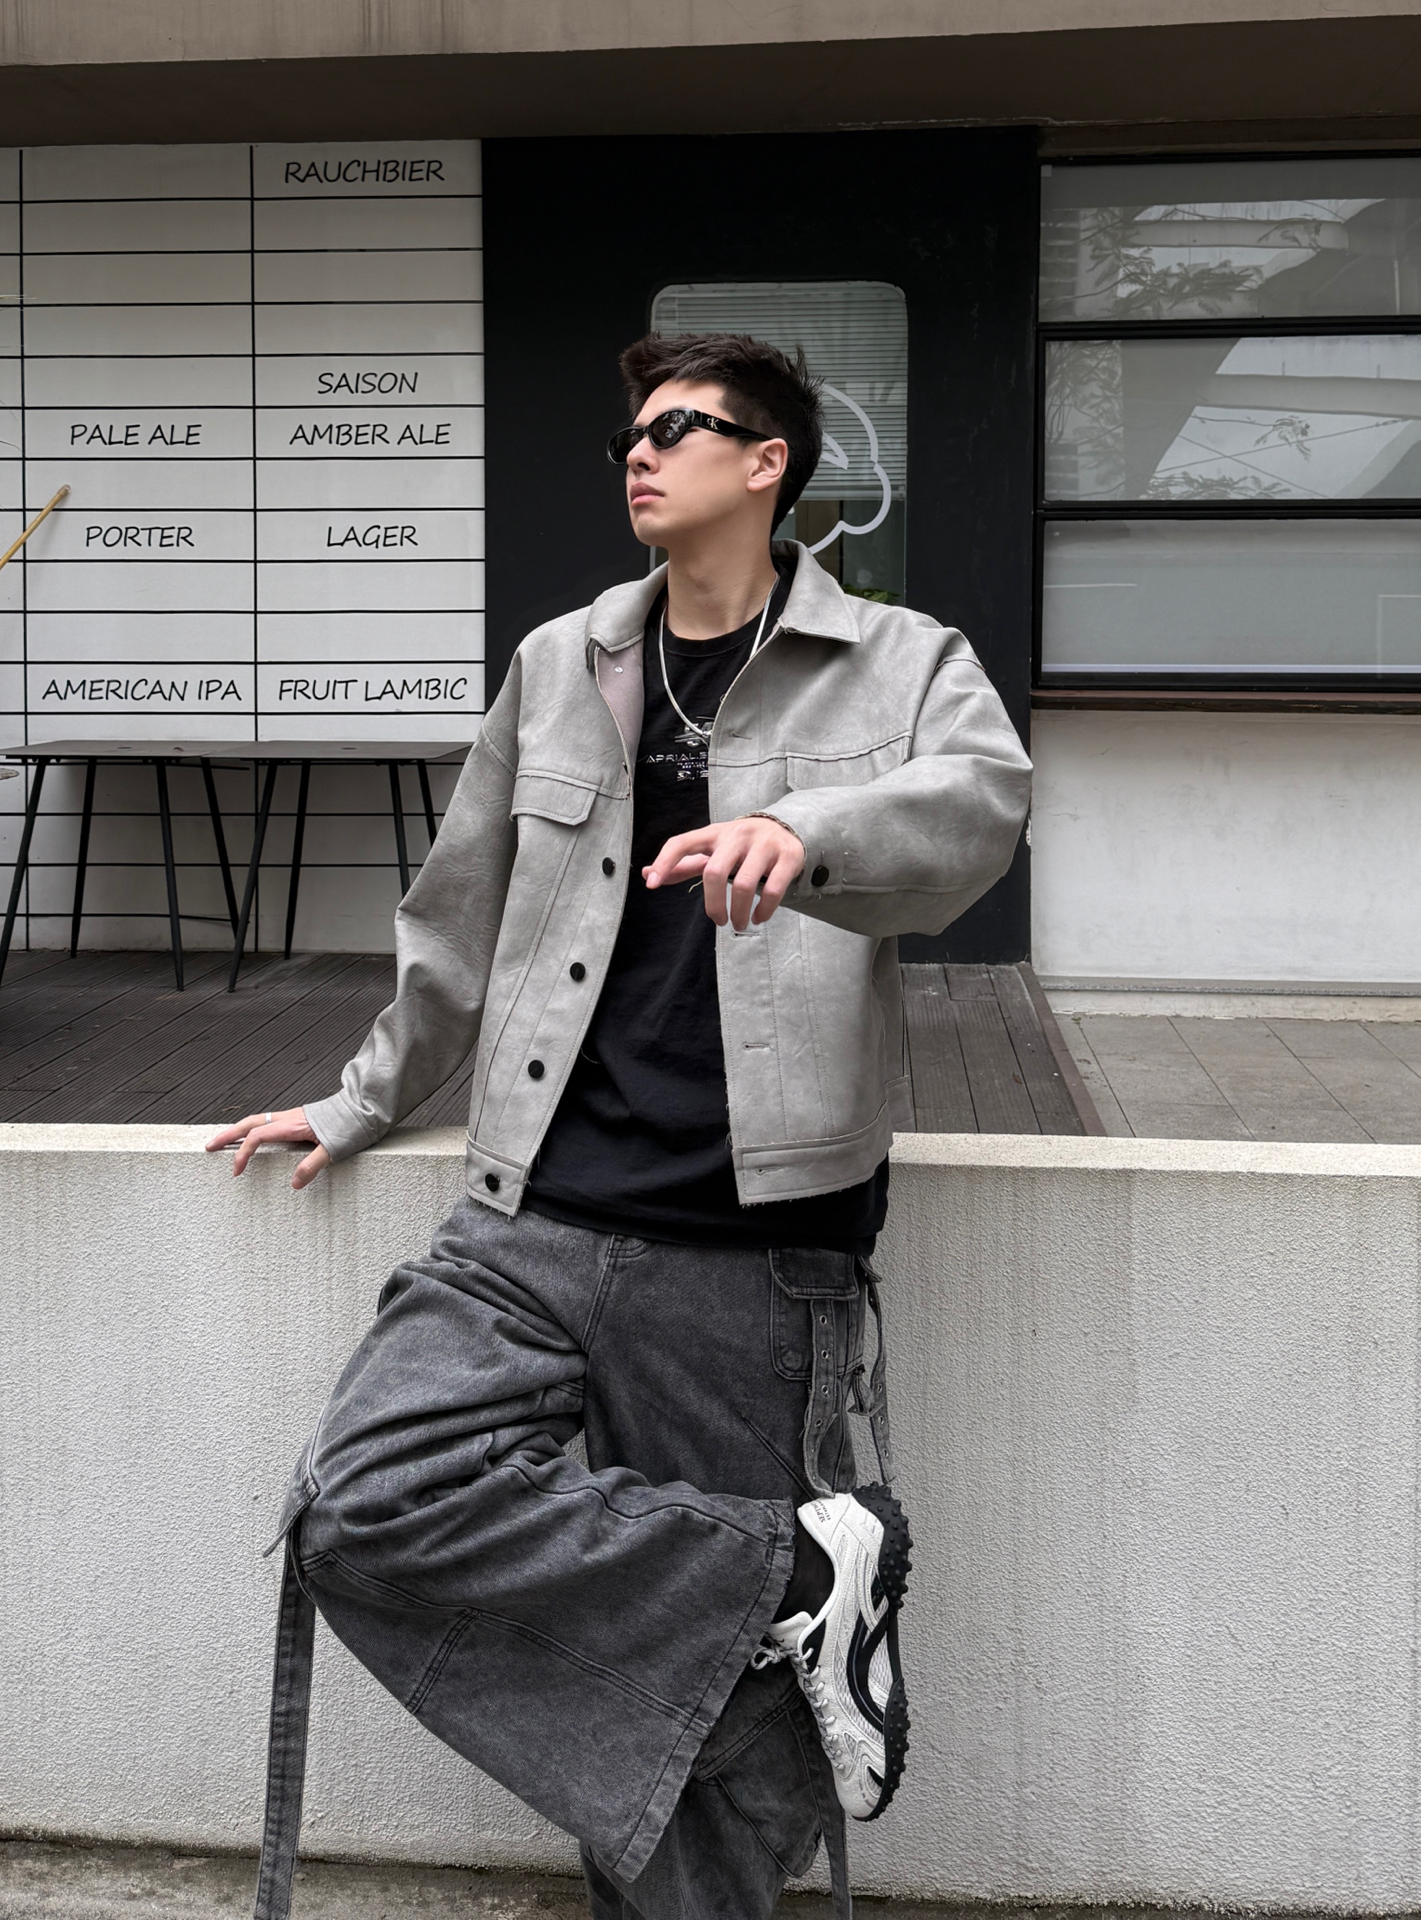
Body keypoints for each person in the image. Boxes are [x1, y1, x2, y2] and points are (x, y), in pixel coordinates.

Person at [209, 332, 1031, 1920]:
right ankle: (797, 1576)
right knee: (362, 1503)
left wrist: (806, 829)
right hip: (529, 1212)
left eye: (678, 428)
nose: (639, 454)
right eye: (629, 436)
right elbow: (457, 917)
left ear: (767, 462)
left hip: (756, 1248)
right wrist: (360, 1100)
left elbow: (979, 812)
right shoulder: (562, 660)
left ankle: (750, 1720)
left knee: (712, 1750)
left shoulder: (902, 660)